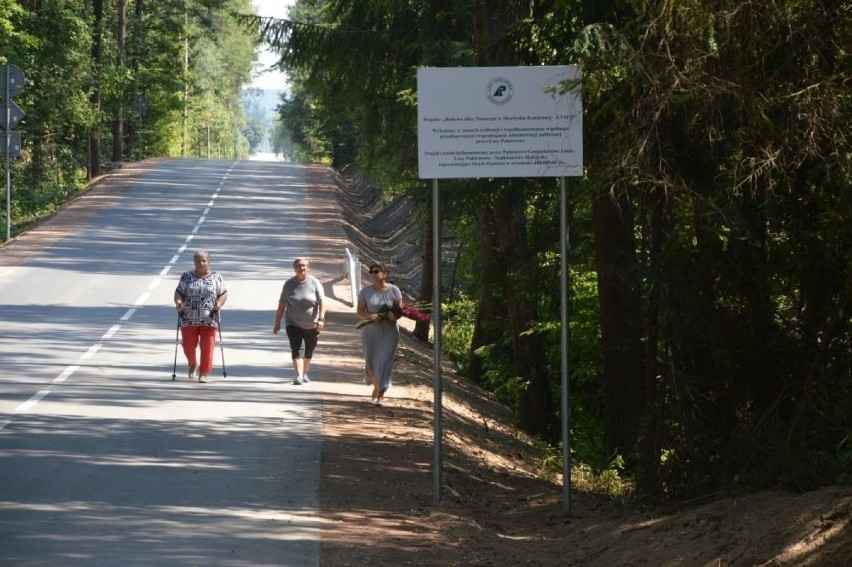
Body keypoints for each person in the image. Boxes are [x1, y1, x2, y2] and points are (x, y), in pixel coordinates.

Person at [174, 250, 228, 383]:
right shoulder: (186, 276)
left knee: (207, 347)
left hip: (209, 317)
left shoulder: (216, 277)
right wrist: (179, 302)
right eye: (198, 261)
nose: (201, 263)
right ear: (194, 262)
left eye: (204, 261)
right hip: (188, 318)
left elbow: (223, 293)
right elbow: (178, 292)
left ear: (209, 262)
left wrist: (219, 304)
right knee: (187, 346)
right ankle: (192, 363)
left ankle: (203, 372)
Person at [273, 257, 326, 385]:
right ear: (294, 269)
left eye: (304, 266)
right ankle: (299, 376)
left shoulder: (314, 282)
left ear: (307, 267)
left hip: (312, 324)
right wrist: (277, 323)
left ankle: (304, 373)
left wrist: (321, 319)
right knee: (296, 349)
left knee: (309, 350)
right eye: (298, 266)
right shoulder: (289, 284)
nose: (301, 268)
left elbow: (322, 302)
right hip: (293, 323)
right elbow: (282, 306)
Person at [356, 262, 402, 406]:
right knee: (370, 362)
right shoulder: (365, 291)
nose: (374, 274)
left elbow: (399, 311)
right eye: (372, 272)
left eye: (377, 271)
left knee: (384, 361)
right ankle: (377, 386)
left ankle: (381, 395)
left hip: (390, 331)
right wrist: (370, 316)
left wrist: (394, 316)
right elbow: (360, 311)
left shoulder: (394, 290)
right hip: (371, 331)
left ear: (385, 274)